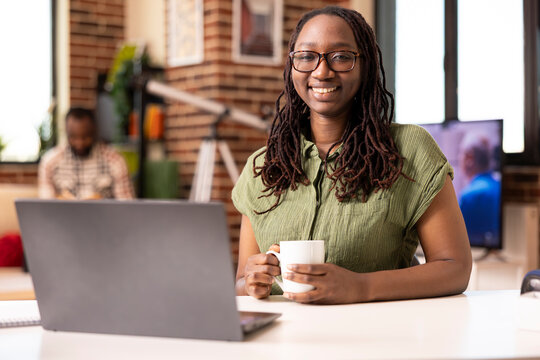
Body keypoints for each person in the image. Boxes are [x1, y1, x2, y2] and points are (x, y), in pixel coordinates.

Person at [232, 6, 472, 305]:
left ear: (365, 66)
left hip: (375, 341)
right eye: (307, 57)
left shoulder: (410, 149)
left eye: (341, 56)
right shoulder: (263, 165)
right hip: (279, 345)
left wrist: (361, 287)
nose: (321, 71)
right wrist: (252, 281)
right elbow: (242, 280)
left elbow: (455, 269)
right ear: (292, 67)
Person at [39, 107, 134, 200]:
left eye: (85, 137)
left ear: (94, 132)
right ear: (66, 133)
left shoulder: (115, 161)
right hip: (62, 215)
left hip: (104, 215)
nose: (79, 143)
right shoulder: (50, 161)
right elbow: (47, 205)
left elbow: (126, 205)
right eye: (73, 137)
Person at [458, 133, 501, 247]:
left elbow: (455, 243)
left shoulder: (469, 196)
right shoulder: (499, 186)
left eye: (461, 153)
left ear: (469, 158)